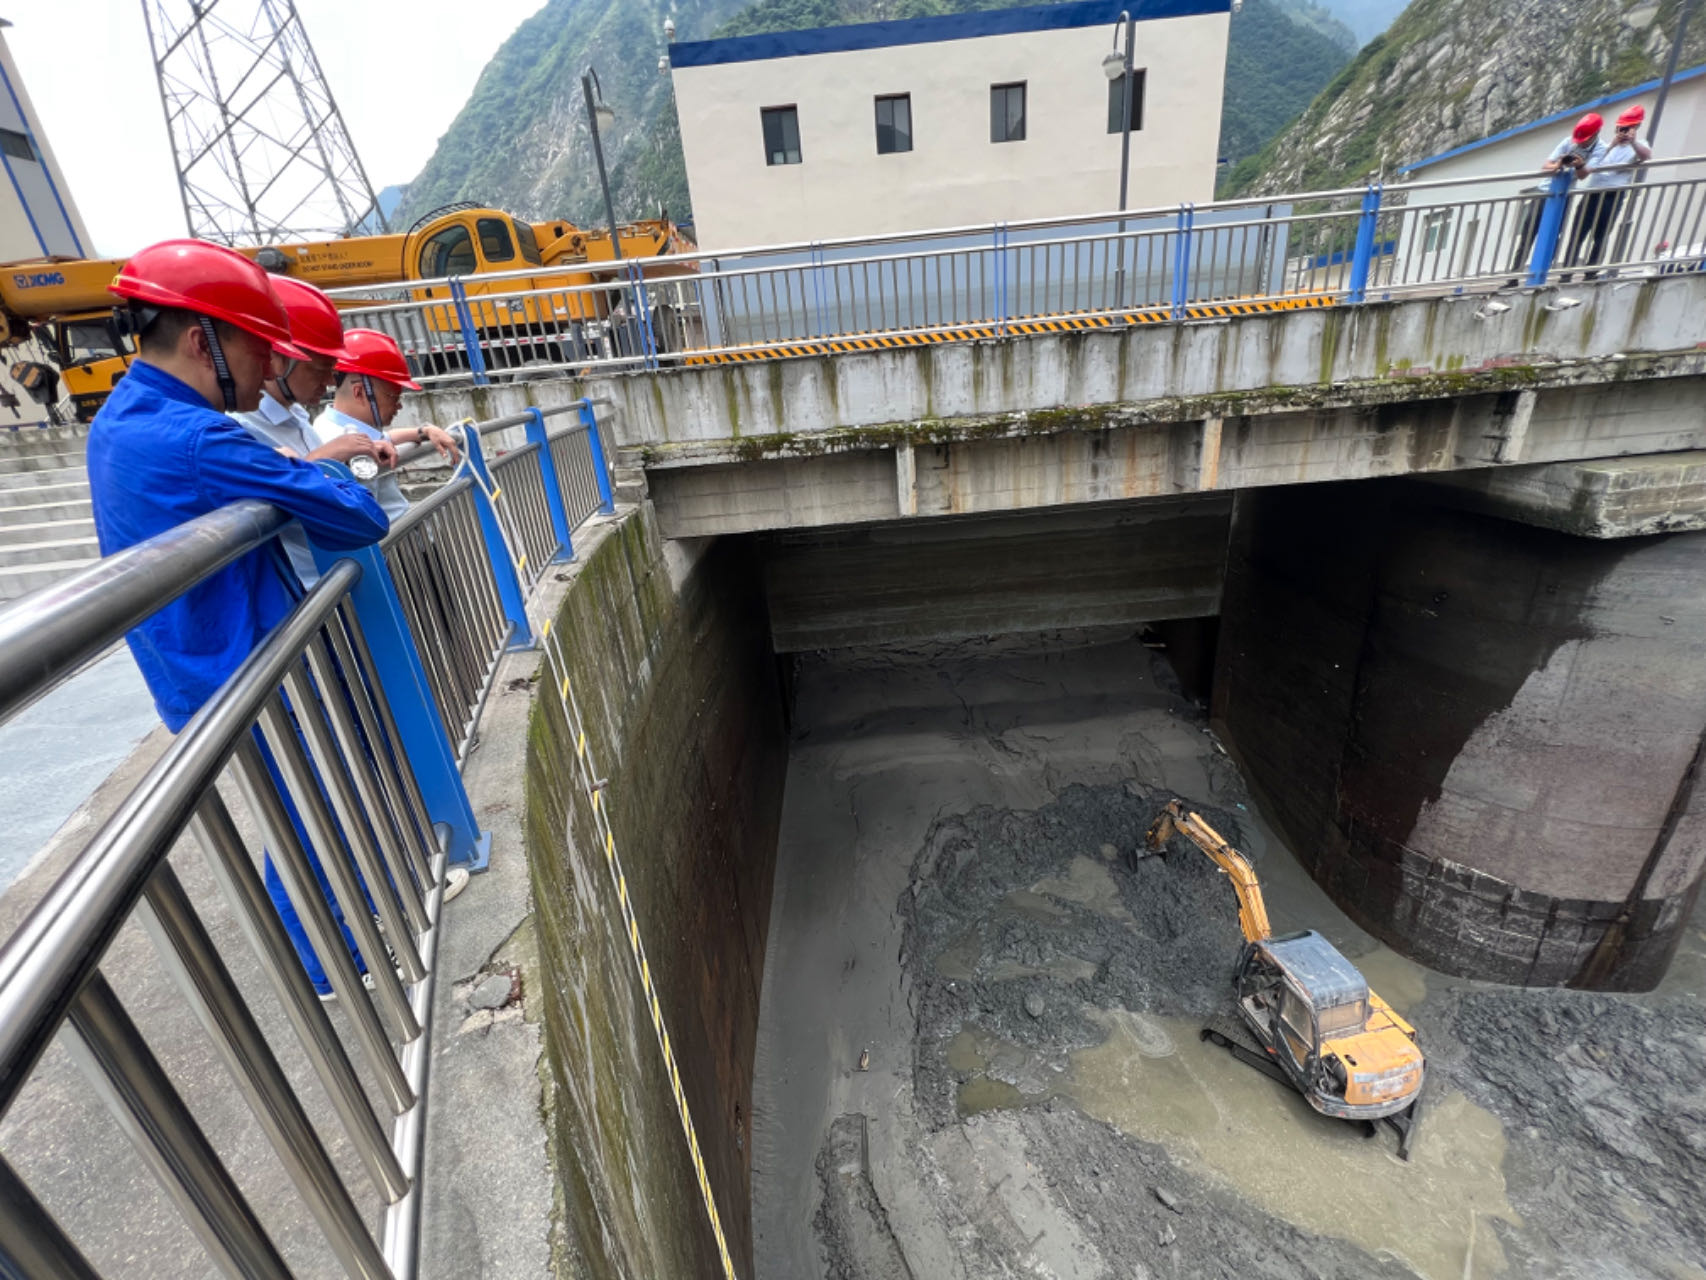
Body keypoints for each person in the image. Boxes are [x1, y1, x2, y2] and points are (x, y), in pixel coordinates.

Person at [87, 239, 400, 998]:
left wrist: (299, 469)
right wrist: (315, 469)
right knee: (304, 815)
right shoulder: (201, 437)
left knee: (291, 811)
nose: (268, 372)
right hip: (243, 663)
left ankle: (328, 955)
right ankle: (334, 969)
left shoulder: (119, 420)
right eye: (258, 349)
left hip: (195, 664)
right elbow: (360, 518)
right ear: (201, 341)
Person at [233, 275, 387, 586]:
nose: (330, 381)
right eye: (319, 369)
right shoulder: (243, 427)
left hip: (339, 578)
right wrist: (326, 455)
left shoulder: (298, 416)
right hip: (311, 590)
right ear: (277, 359)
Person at [312, 329, 460, 520]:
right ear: (359, 393)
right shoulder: (334, 439)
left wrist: (424, 431)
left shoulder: (336, 426)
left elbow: (386, 438)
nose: (398, 405)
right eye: (393, 397)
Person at [1507, 113, 1604, 285]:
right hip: (1543, 192)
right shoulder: (1568, 142)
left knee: (1553, 237)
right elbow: (1546, 166)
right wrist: (1558, 165)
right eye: (1579, 139)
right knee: (1527, 236)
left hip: (1563, 197)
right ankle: (1513, 276)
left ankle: (1542, 273)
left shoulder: (1600, 148)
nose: (1580, 143)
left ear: (1596, 134)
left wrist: (1580, 164)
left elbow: (1583, 175)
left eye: (1585, 140)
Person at [1567, 103, 1653, 277]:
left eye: (1627, 128)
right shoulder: (1606, 146)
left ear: (1635, 128)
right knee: (1578, 233)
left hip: (1612, 195)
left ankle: (1591, 273)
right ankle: (1566, 273)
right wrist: (1612, 145)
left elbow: (1645, 156)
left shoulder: (1639, 145)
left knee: (1601, 235)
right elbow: (1593, 162)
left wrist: (1633, 141)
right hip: (1592, 193)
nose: (1622, 131)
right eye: (1620, 128)